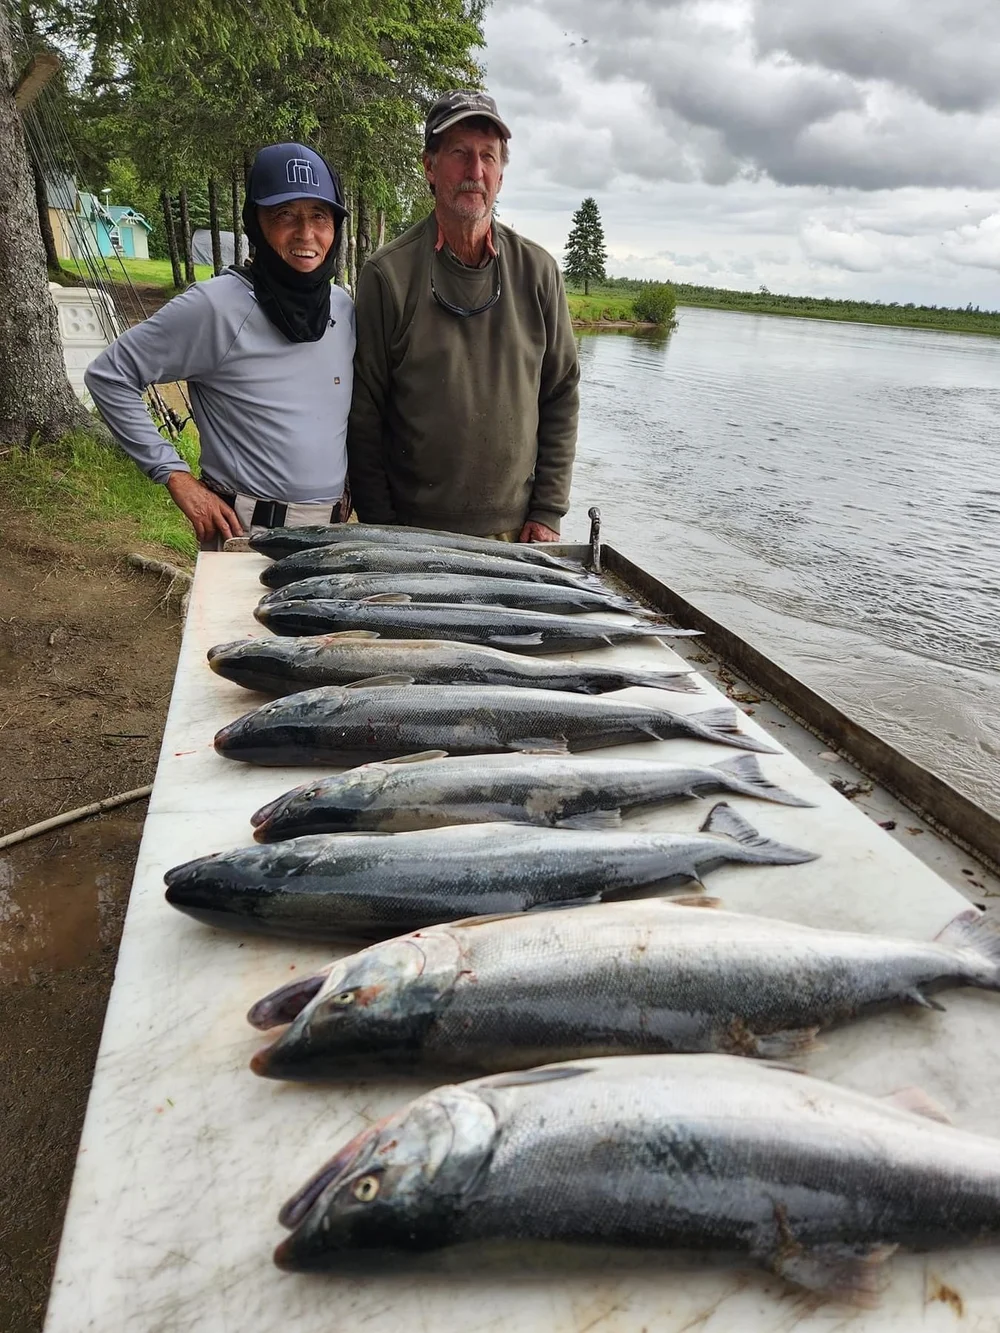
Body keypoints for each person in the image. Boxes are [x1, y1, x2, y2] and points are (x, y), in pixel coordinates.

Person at [85, 144, 355, 549]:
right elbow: (110, 376)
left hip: (331, 539)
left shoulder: (342, 306)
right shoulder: (217, 306)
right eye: (285, 215)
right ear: (255, 223)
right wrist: (175, 476)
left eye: (320, 215)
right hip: (247, 535)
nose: (306, 233)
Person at [347, 90, 579, 542]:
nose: (476, 172)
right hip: (413, 535)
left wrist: (548, 511)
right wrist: (381, 527)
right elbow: (364, 415)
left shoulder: (539, 272)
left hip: (516, 535)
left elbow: (562, 395)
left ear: (501, 176)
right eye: (460, 154)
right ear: (429, 167)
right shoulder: (387, 275)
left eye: (488, 158)